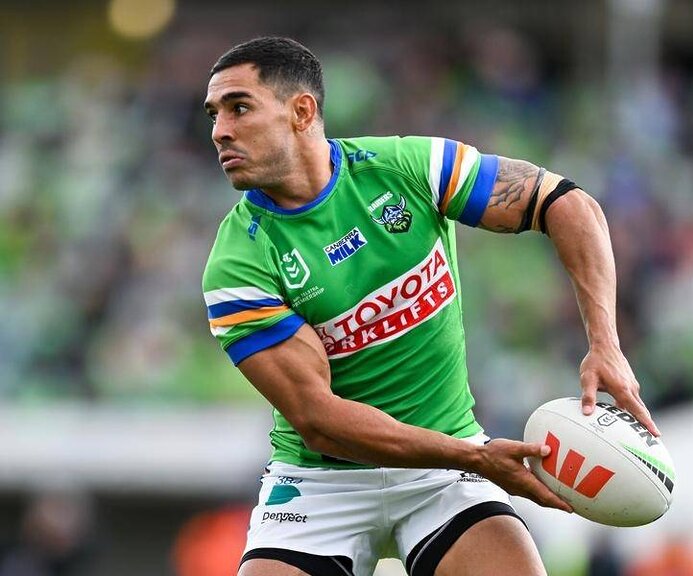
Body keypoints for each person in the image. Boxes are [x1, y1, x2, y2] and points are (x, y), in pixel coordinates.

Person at [202, 36, 659, 576]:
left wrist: (604, 342)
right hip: (325, 481)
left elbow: (566, 203)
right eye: (213, 115)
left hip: (443, 473)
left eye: (239, 107)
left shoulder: (408, 168)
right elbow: (318, 421)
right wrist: (473, 457)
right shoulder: (238, 262)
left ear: (302, 111)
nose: (219, 131)